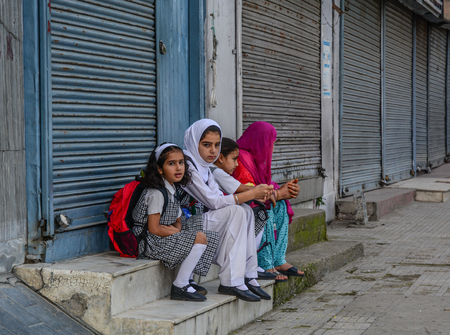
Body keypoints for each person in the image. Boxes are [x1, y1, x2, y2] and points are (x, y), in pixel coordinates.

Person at [182, 119, 274, 302]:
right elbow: (213, 202)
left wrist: (254, 195)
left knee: (245, 210)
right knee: (237, 211)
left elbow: (218, 198)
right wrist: (251, 193)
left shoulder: (204, 167)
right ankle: (231, 281)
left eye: (216, 145)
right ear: (194, 142)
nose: (213, 151)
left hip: (200, 222)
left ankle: (248, 273)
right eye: (206, 145)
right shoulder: (187, 165)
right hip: (183, 225)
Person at [132, 143, 219, 302]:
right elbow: (153, 228)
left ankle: (188, 278)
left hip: (162, 236)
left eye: (181, 162)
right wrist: (180, 233)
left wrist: (178, 231)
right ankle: (180, 285)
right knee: (198, 237)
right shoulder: (156, 193)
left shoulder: (174, 189)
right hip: (149, 242)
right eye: (171, 164)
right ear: (159, 169)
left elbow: (178, 221)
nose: (178, 168)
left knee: (209, 236)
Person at [232, 121, 304, 282]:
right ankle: (265, 262)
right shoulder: (242, 157)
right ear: (261, 141)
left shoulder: (256, 159)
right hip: (240, 205)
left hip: (252, 201)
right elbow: (250, 191)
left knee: (281, 205)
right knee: (265, 207)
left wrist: (285, 190)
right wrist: (277, 193)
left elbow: (264, 186)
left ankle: (278, 260)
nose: (271, 148)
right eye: (270, 143)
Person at [211, 137, 277, 281]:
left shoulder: (216, 172)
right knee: (252, 212)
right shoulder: (217, 172)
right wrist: (260, 191)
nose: (236, 164)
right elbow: (241, 189)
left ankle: (250, 268)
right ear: (221, 157)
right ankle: (247, 268)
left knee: (248, 211)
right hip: (217, 221)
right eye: (234, 159)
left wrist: (259, 191)